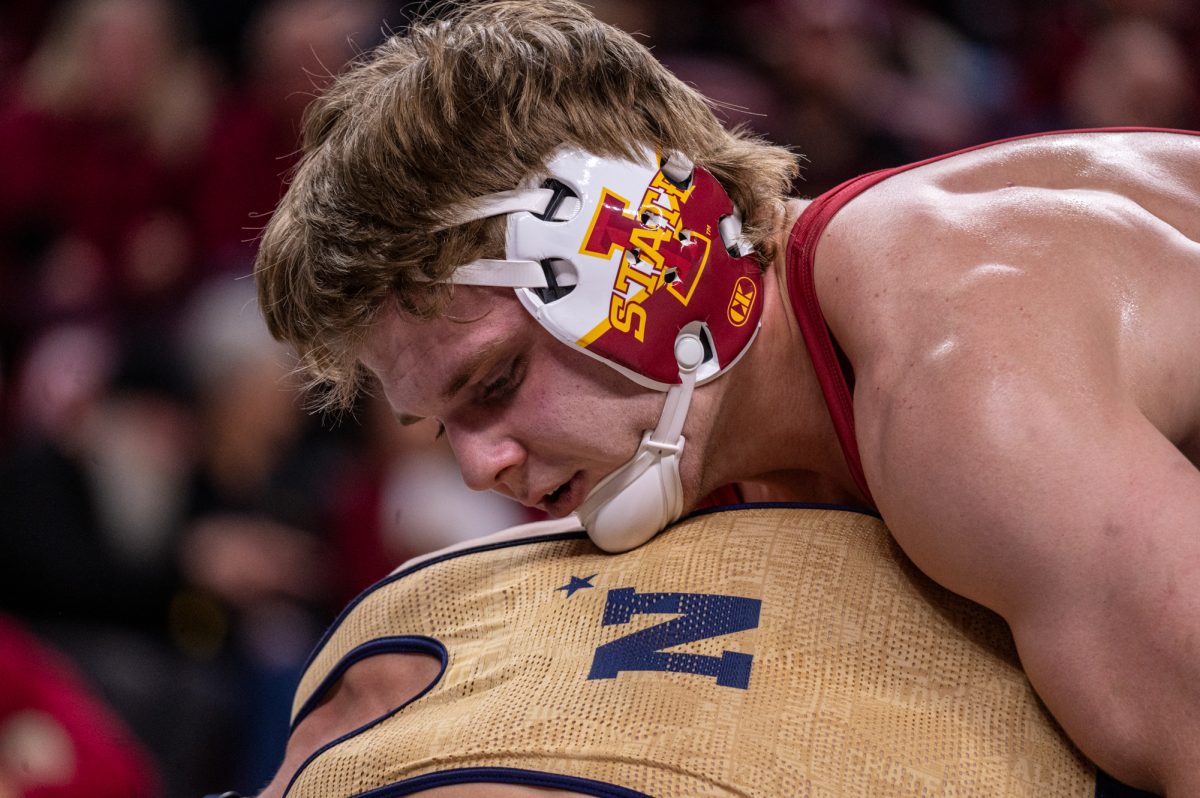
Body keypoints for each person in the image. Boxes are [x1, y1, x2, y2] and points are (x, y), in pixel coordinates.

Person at [253, 1, 1200, 794]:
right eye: (442, 423)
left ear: (646, 261)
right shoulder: (764, 431)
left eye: (496, 383)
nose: (478, 464)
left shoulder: (963, 377)